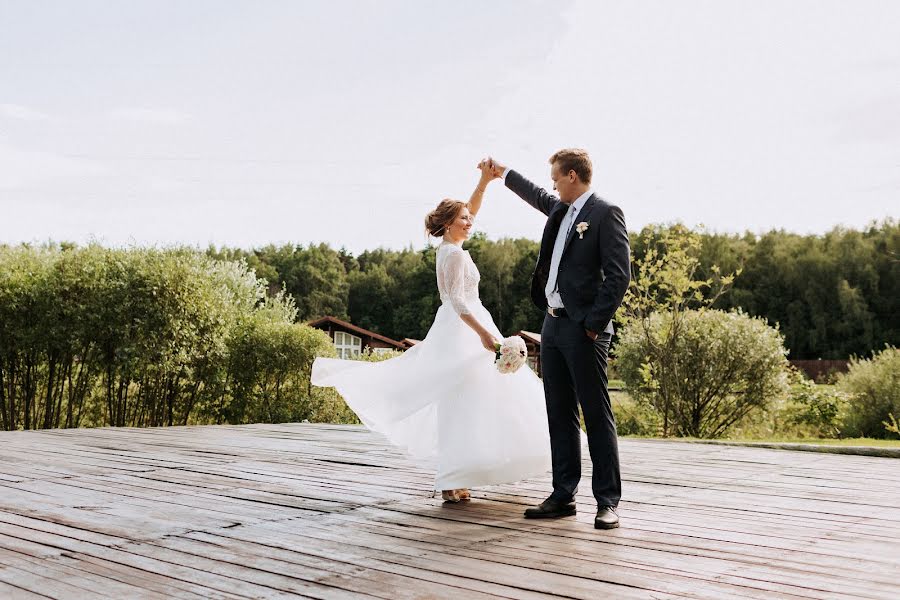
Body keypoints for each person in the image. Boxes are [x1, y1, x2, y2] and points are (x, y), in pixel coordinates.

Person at [311, 165, 551, 503]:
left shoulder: (453, 244)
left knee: (482, 397)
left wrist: (484, 182)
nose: (470, 221)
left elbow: (471, 209)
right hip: (464, 329)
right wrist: (485, 336)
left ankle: (468, 470)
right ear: (448, 224)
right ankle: (452, 476)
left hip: (470, 323)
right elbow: (456, 300)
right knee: (458, 400)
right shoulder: (451, 253)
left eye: (471, 218)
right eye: (464, 219)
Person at [482, 149, 630, 529]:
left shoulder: (605, 213)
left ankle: (607, 501)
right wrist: (503, 174)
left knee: (596, 414)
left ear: (572, 176)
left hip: (584, 330)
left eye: (555, 178)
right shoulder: (560, 210)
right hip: (551, 326)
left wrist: (593, 325)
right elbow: (535, 194)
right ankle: (563, 494)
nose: (551, 185)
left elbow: (618, 276)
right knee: (559, 413)